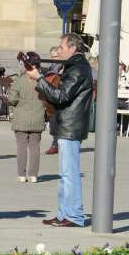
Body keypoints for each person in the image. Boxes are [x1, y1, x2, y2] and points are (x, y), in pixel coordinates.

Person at [26, 33, 93, 228]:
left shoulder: (78, 69)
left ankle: (73, 215)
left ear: (73, 48)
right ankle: (64, 213)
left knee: (69, 173)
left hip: (70, 126)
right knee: (65, 173)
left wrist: (39, 78)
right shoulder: (74, 66)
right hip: (67, 125)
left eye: (61, 47)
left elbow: (61, 96)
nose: (59, 50)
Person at [8, 52, 45, 183]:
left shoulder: (19, 80)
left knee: (21, 147)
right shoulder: (43, 80)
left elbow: (12, 99)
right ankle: (33, 175)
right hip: (37, 118)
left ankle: (22, 175)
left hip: (21, 119)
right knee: (35, 147)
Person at [45, 46, 62, 155]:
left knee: (56, 122)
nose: (53, 58)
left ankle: (56, 145)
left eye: (55, 56)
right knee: (52, 122)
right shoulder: (52, 66)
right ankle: (56, 143)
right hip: (51, 96)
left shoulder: (62, 66)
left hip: (58, 96)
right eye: (52, 57)